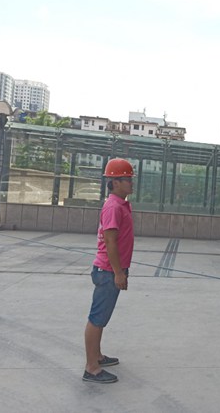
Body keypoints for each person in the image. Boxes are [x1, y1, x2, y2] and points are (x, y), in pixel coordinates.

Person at [83, 158, 135, 384]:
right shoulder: (113, 206)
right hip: (107, 271)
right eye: (127, 179)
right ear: (115, 182)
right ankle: (91, 368)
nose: (131, 183)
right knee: (97, 318)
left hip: (110, 270)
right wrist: (118, 273)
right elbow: (110, 241)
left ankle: (97, 356)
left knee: (101, 317)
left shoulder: (120, 204)